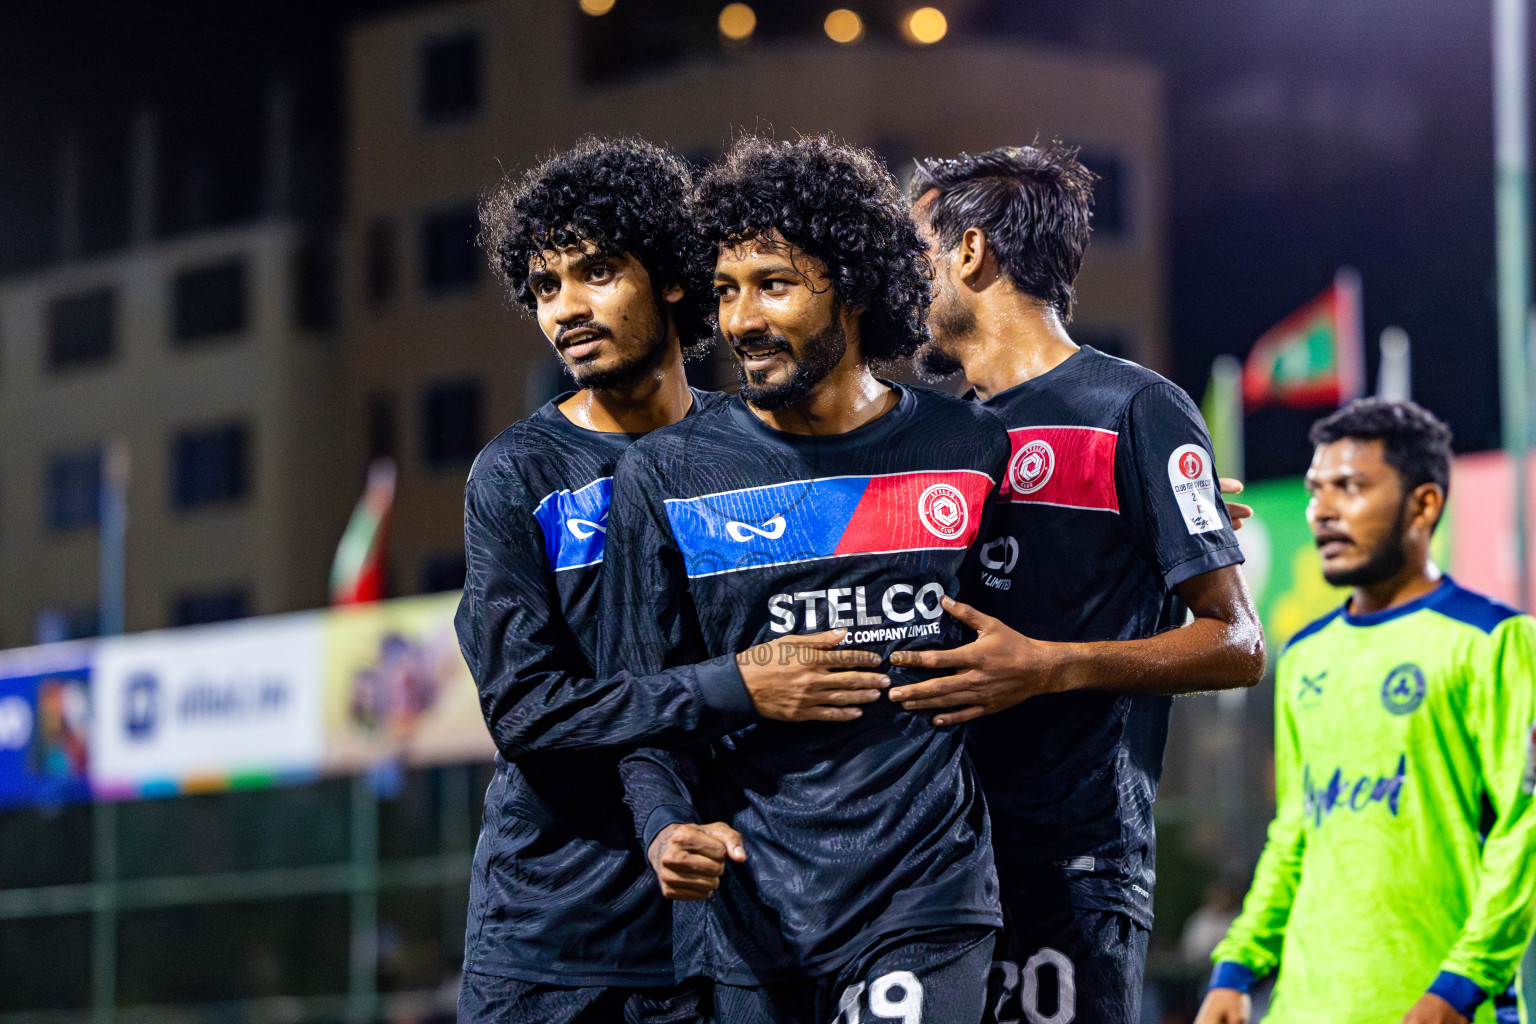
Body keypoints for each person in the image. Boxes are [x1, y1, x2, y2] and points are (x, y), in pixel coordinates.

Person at [456, 137, 888, 1024]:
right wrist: (735, 688)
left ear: (676, 279)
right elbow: (526, 711)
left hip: (733, 930)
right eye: (545, 287)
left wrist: (1136, 522)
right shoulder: (515, 477)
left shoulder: (761, 446)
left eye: (598, 272)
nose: (566, 309)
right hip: (550, 941)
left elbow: (903, 528)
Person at [603, 135, 1009, 1024]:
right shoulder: (666, 476)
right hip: (754, 912)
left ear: (855, 286)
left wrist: (1171, 515)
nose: (741, 320)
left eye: (774, 284)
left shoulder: (969, 448)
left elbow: (1056, 606)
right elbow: (638, 700)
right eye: (725, 291)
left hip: (925, 891)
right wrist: (666, 828)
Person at [885, 144, 1266, 1023]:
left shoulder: (1135, 409)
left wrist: (1052, 664)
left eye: (918, 254)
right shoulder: (933, 433)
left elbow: (1237, 644)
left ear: (970, 252)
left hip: (1071, 867)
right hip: (930, 869)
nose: (907, 283)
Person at [1196, 399, 1536, 1024]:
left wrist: (1460, 987)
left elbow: (1526, 828)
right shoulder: (1305, 655)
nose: (1320, 511)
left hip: (1439, 1003)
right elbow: (1294, 833)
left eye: (1349, 488)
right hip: (1304, 1008)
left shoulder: (1496, 641)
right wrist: (1236, 968)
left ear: (1424, 505)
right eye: (1315, 490)